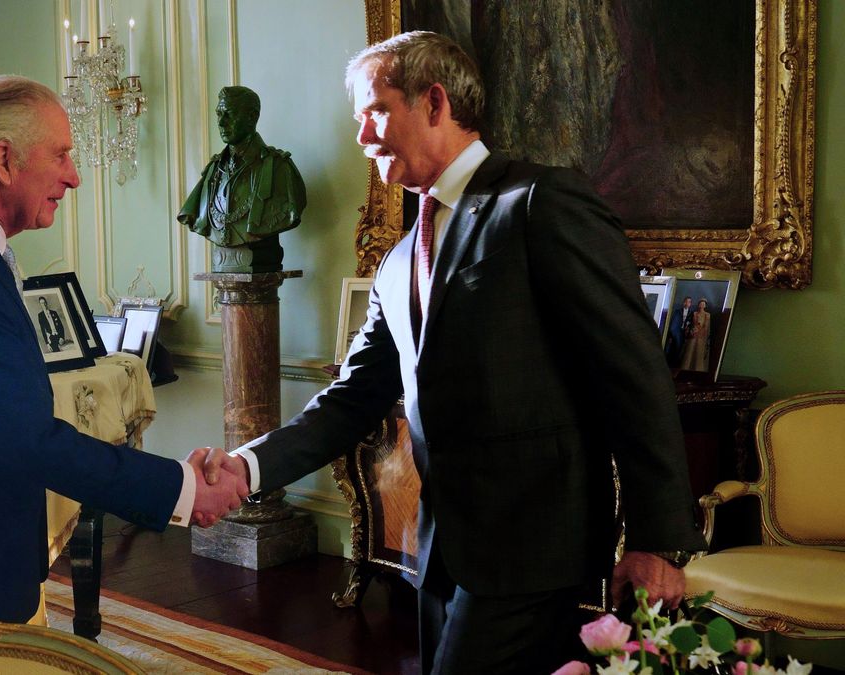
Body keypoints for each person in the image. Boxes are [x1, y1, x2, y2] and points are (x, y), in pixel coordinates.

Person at [200, 32, 706, 673]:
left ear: (434, 102)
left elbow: (635, 375)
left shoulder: (540, 205)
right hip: (439, 552)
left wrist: (658, 540)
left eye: (374, 112)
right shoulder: (397, 258)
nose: (361, 137)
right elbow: (352, 398)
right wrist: (249, 469)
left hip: (534, 552)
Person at [0, 74, 249, 636]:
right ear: (4, 160)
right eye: (60, 155)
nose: (74, 176)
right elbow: (28, 440)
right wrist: (182, 489)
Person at [177, 85, 307, 273]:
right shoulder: (214, 171)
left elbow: (290, 212)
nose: (221, 122)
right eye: (219, 114)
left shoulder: (279, 167)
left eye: (229, 114)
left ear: (252, 117)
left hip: (262, 270)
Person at [679, 298, 713, 372]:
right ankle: (685, 369)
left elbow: (706, 326)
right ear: (698, 305)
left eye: (703, 304)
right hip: (693, 334)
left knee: (699, 352)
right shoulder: (694, 313)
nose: (702, 305)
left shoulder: (707, 315)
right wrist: (691, 330)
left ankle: (698, 370)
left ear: (705, 306)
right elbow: (690, 323)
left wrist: (699, 330)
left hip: (701, 335)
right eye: (701, 303)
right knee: (690, 351)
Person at [666, 296, 694, 367]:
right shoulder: (677, 311)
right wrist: (671, 335)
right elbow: (673, 323)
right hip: (676, 332)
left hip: (684, 333)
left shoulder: (691, 313)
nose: (687, 303)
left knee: (680, 349)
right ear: (683, 302)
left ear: (690, 304)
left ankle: (675, 364)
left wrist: (688, 329)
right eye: (686, 301)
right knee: (672, 348)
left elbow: (691, 323)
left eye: (689, 302)